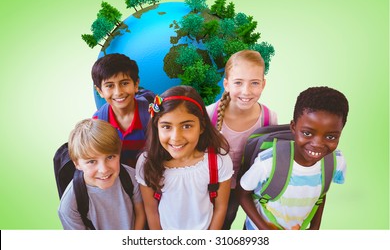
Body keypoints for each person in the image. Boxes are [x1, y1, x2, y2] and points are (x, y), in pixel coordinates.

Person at [237, 86, 349, 230]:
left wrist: (315, 227)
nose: (317, 144)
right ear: (293, 127)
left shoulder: (335, 162)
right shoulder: (268, 163)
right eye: (307, 133)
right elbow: (242, 194)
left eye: (330, 137)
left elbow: (320, 193)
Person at [135, 85, 234, 230]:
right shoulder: (146, 163)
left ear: (201, 127)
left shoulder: (218, 161)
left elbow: (220, 208)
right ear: (157, 128)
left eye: (186, 126)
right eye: (166, 126)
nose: (176, 138)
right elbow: (151, 210)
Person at [206, 49, 278, 229]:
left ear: (263, 84)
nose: (246, 91)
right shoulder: (208, 115)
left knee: (229, 221)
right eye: (238, 82)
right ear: (226, 84)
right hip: (210, 188)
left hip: (246, 189)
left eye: (254, 83)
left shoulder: (269, 118)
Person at [58, 118, 145, 229]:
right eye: (91, 161)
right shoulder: (69, 205)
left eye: (110, 157)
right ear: (77, 164)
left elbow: (140, 214)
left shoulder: (132, 177)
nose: (103, 170)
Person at [91, 53, 154, 168]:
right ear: (100, 91)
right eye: (109, 86)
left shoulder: (152, 114)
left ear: (136, 84)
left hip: (152, 176)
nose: (118, 92)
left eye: (124, 83)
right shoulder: (98, 122)